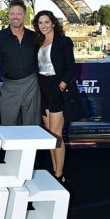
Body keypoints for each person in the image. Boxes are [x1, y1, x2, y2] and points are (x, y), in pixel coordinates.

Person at [33, 10, 75, 184]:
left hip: (56, 87)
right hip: (42, 87)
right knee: (50, 134)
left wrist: (62, 85)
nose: (43, 26)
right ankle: (54, 168)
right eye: (40, 23)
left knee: (56, 134)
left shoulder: (63, 41)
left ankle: (59, 173)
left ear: (53, 23)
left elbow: (70, 67)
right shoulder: (38, 42)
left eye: (46, 22)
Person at [0, 0, 41, 126]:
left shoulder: (34, 36)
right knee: (9, 128)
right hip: (8, 87)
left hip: (31, 85)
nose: (15, 17)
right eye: (12, 13)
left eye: (19, 13)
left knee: (32, 127)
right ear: (8, 15)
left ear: (24, 16)